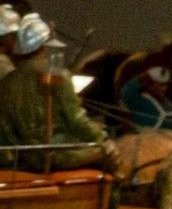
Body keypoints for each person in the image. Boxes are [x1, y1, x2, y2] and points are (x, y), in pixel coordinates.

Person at [0, 14, 108, 166]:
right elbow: (75, 119)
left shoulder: (7, 82)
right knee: (109, 151)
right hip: (56, 155)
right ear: (44, 45)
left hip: (27, 157)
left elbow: (4, 126)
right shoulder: (57, 75)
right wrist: (101, 138)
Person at [119, 64, 172, 130]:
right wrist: (145, 75)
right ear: (150, 84)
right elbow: (126, 91)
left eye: (166, 85)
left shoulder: (168, 102)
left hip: (168, 138)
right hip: (145, 138)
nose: (164, 88)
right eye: (160, 84)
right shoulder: (138, 100)